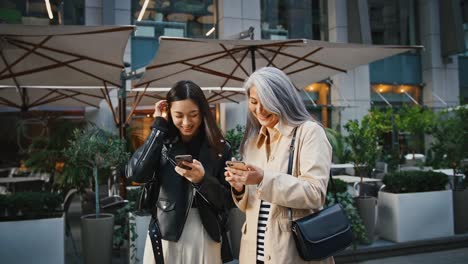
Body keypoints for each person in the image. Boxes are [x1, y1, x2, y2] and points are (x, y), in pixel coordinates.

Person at [225, 67, 333, 264]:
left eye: (265, 102)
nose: (259, 110)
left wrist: (262, 179)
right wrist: (240, 188)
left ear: (282, 99)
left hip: (291, 253)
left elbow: (315, 194)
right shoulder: (252, 142)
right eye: (254, 102)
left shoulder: (308, 133)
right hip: (252, 253)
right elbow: (251, 204)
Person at [126, 80, 233, 264]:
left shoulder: (220, 148)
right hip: (166, 230)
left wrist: (202, 180)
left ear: (203, 113)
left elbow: (229, 200)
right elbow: (136, 174)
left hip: (206, 232)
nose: (186, 122)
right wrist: (158, 125)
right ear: (170, 114)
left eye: (193, 114)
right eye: (178, 115)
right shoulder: (160, 143)